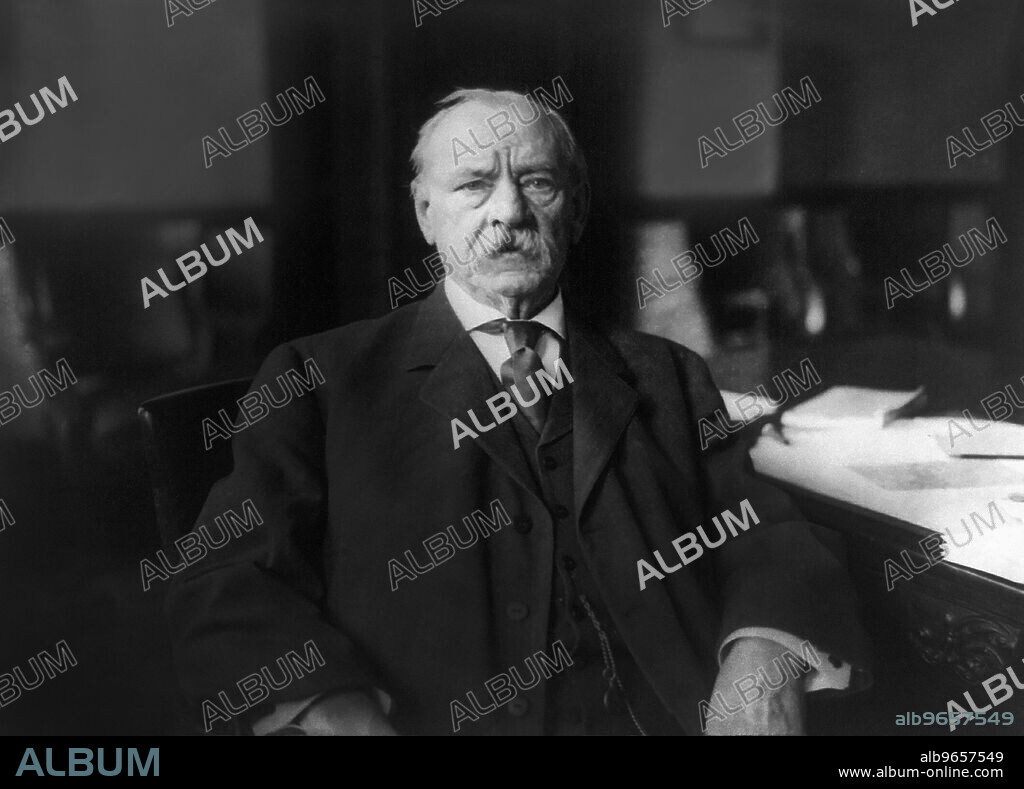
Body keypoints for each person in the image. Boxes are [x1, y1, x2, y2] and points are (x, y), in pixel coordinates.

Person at [166, 88, 869, 736]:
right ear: (425, 214)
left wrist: (763, 656)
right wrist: (333, 707)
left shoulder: (667, 375)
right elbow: (224, 580)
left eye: (537, 181)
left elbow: (766, 535)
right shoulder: (318, 379)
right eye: (473, 185)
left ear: (577, 208)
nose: (508, 212)